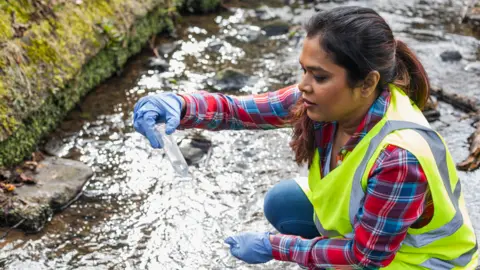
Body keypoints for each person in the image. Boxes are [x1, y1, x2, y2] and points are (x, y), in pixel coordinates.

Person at [133, 6, 478, 269]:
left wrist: (276, 247)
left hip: (419, 263)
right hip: (377, 243)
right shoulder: (324, 103)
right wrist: (179, 105)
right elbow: (239, 111)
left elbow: (365, 257)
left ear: (368, 83)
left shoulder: (399, 158)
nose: (304, 85)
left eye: (320, 76)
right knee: (284, 200)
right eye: (304, 70)